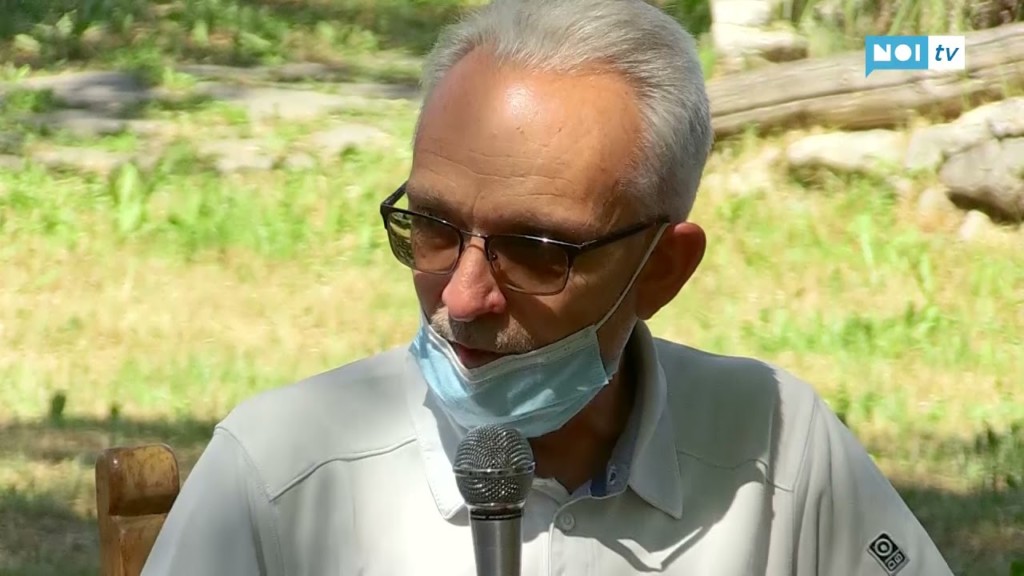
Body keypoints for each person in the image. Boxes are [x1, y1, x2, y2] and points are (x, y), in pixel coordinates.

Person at [141, 0, 955, 574]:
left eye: (534, 252)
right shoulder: (281, 472)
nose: (463, 298)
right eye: (432, 226)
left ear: (661, 270)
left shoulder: (777, 448)